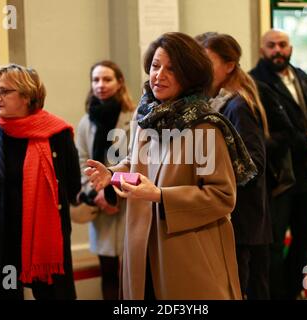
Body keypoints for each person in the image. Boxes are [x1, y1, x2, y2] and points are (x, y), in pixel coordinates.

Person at [85, 32, 257, 300]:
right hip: (141, 245)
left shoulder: (205, 126)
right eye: (155, 66)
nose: (159, 75)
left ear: (189, 75)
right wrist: (112, 174)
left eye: (171, 69)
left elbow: (222, 197)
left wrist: (161, 196)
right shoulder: (147, 117)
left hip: (186, 250)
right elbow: (136, 164)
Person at [0, 64, 81, 299]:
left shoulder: (57, 135)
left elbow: (73, 185)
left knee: (53, 295)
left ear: (27, 96)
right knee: (4, 294)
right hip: (2, 238)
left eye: (4, 91)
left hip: (44, 241)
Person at [250, 29, 307, 299]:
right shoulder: (256, 82)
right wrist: (303, 140)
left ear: (290, 48)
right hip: (281, 177)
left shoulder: (302, 78)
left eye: (283, 45)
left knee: (306, 238)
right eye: (272, 45)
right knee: (273, 245)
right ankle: (278, 294)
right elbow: (265, 133)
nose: (278, 50)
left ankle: (293, 289)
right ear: (262, 49)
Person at [197, 33, 271, 300]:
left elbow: (254, 163)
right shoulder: (216, 103)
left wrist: (215, 184)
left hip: (243, 223)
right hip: (239, 219)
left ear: (229, 65)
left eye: (206, 61)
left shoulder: (237, 106)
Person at [76, 60, 135, 300]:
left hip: (128, 202)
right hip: (100, 204)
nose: (101, 85)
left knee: (134, 271)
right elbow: (82, 161)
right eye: (96, 80)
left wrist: (113, 192)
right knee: (108, 271)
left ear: (119, 82)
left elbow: (138, 160)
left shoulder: (133, 118)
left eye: (107, 79)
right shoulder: (86, 121)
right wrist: (98, 192)